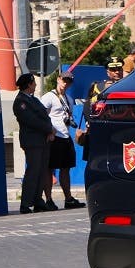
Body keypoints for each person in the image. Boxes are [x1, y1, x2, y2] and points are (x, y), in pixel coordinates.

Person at [13, 73, 55, 214]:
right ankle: (26, 203)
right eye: (33, 83)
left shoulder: (34, 100)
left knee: (42, 171)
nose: (36, 85)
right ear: (29, 84)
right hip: (32, 142)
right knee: (33, 172)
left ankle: (37, 200)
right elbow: (32, 121)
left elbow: (45, 116)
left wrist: (50, 130)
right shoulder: (20, 102)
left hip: (43, 140)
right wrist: (49, 129)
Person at [41, 72, 84, 209]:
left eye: (69, 81)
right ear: (59, 79)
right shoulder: (48, 97)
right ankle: (48, 199)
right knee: (50, 169)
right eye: (64, 80)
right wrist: (49, 130)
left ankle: (68, 198)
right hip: (54, 137)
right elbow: (41, 115)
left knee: (66, 168)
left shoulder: (69, 99)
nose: (66, 83)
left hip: (66, 136)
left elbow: (67, 117)